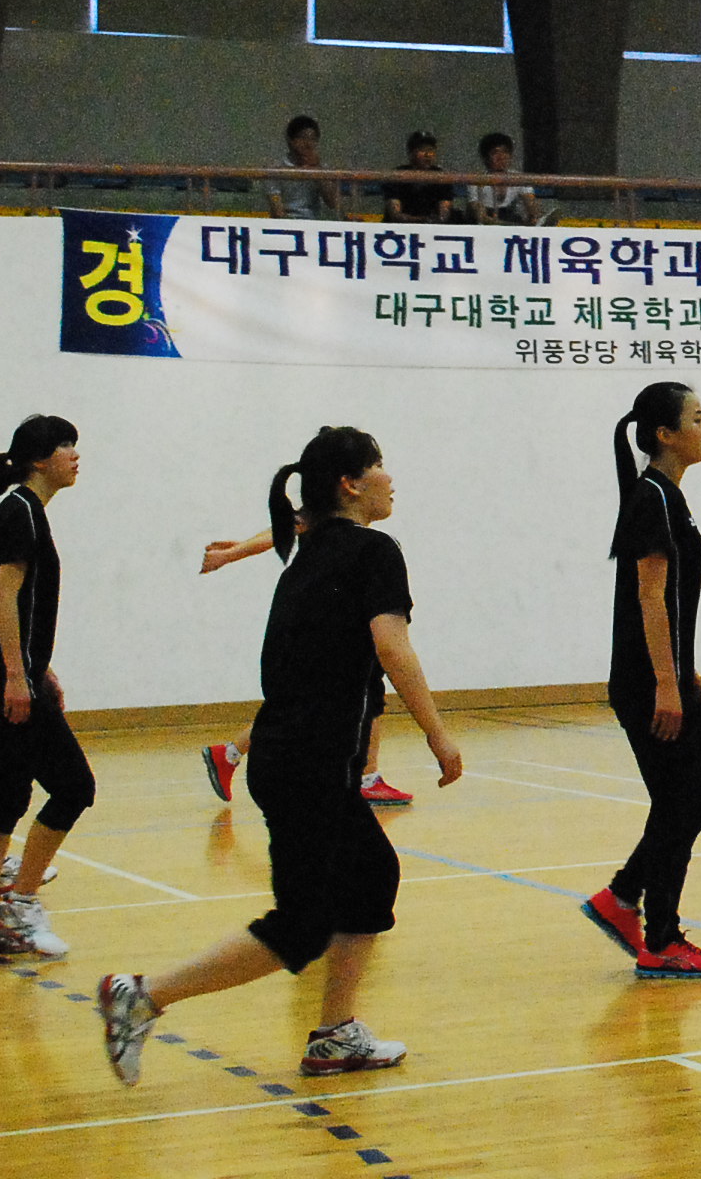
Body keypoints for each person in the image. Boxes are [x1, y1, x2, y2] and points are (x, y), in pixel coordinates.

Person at [96, 427, 464, 1086]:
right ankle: (143, 996)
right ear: (351, 483)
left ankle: (335, 1034)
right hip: (309, 765)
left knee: (371, 877)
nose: (390, 478)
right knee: (302, 925)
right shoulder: (373, 551)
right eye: (380, 466)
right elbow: (393, 647)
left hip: (291, 758)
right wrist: (438, 733)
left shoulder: (310, 552)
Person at [580, 383, 701, 980]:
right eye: (697, 418)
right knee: (682, 799)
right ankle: (660, 939)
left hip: (662, 674)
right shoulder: (652, 498)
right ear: (665, 434)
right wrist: (667, 686)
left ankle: (623, 896)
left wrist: (683, 670)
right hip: (647, 683)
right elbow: (650, 597)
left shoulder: (668, 496)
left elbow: (670, 599)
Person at [0, 417, 96, 962]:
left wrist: (39, 667)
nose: (75, 455)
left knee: (2, 802)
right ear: (39, 459)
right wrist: (17, 674)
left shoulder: (25, 510)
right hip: (6, 682)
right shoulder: (21, 513)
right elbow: (2, 597)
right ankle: (20, 904)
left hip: (10, 675)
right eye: (65, 446)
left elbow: (20, 602)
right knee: (74, 787)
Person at [198, 529, 411, 808]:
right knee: (317, 704)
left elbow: (283, 531)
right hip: (330, 625)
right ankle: (230, 754)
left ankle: (365, 778)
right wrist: (232, 554)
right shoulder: (333, 517)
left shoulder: (350, 534)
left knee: (352, 698)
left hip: (338, 623)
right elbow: (287, 526)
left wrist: (238, 549)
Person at [462, 131, 545, 227]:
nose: (501, 157)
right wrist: (513, 226)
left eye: (505, 152)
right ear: (486, 158)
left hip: (509, 218)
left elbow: (531, 204)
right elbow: (480, 215)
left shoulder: (518, 178)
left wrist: (533, 217)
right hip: (483, 224)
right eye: (495, 153)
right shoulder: (477, 179)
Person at [267, 114, 340, 221]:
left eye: (313, 139)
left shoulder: (322, 168)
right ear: (290, 140)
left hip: (313, 222)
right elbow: (277, 209)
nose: (308, 144)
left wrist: (317, 169)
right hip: (285, 223)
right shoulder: (276, 168)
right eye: (302, 138)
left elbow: (332, 203)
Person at [381, 131, 454, 225]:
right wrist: (421, 220)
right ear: (411, 153)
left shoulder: (441, 177)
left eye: (431, 150)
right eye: (422, 150)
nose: (428, 155)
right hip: (401, 228)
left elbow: (444, 215)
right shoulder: (397, 175)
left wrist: (432, 222)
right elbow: (395, 214)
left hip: (433, 227)